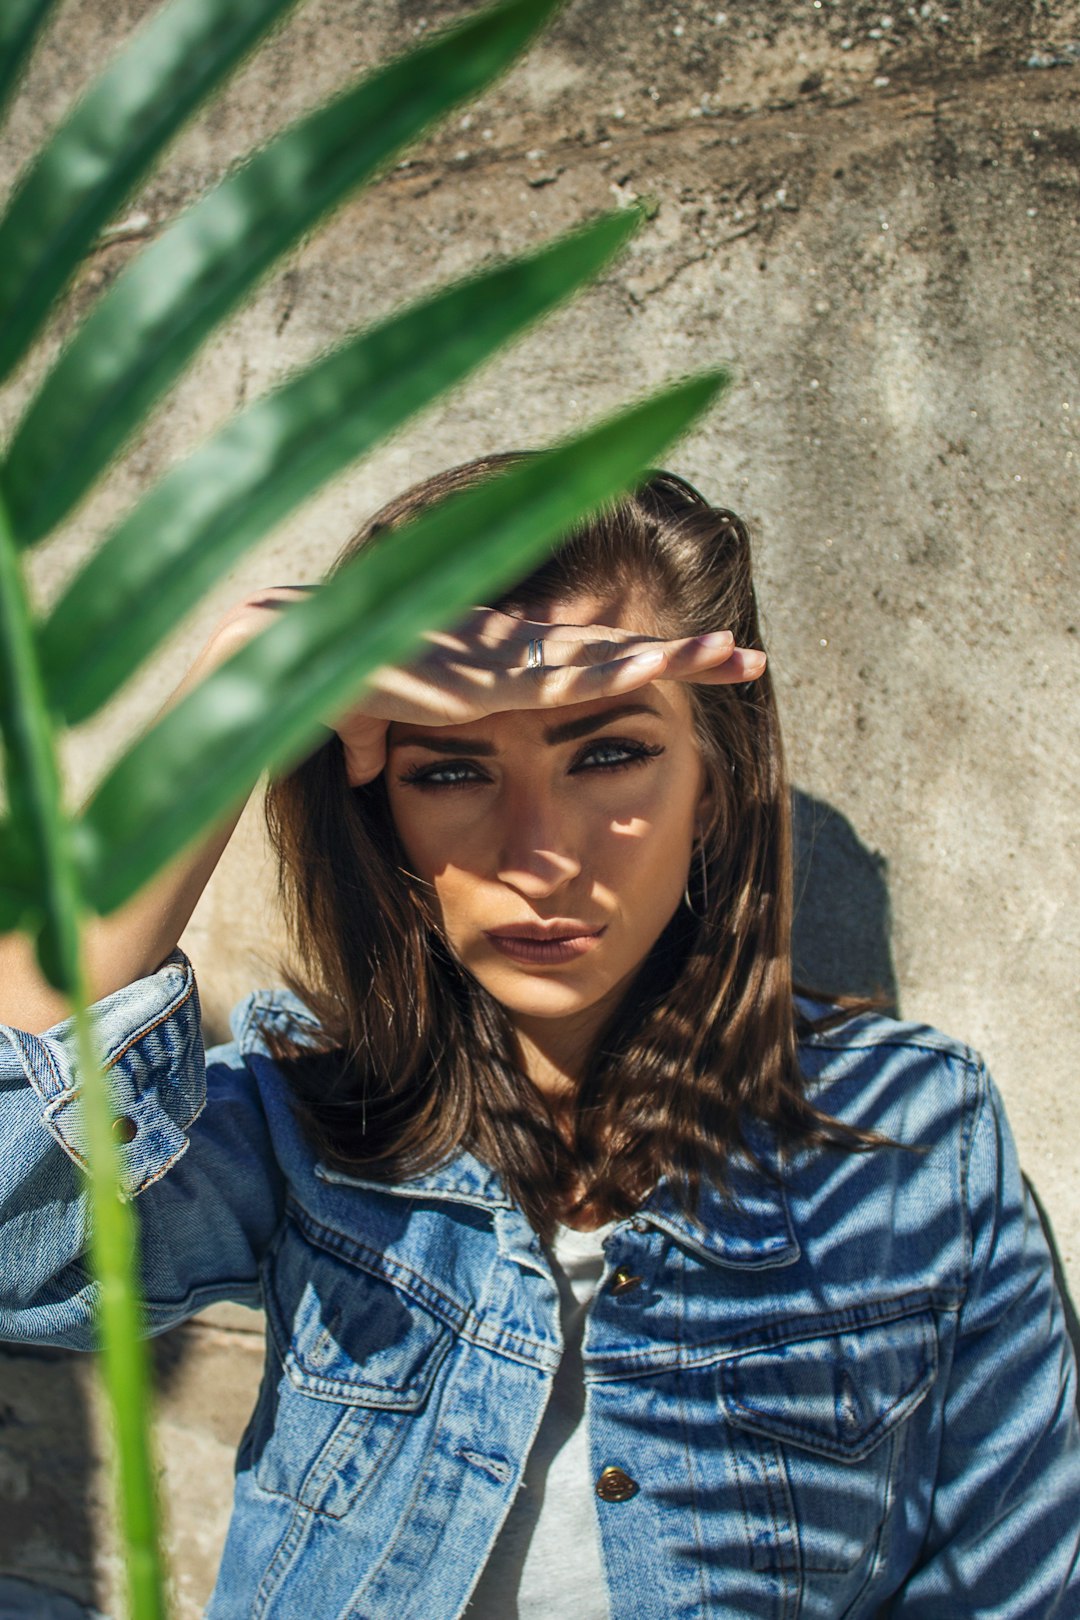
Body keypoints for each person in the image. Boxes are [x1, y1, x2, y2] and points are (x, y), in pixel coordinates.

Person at [0, 458, 1077, 1618]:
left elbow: (1013, 1587)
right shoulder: (313, 1123)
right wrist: (231, 703)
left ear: (715, 781)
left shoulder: (918, 1140)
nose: (538, 851)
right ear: (383, 815)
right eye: (453, 769)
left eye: (608, 753)